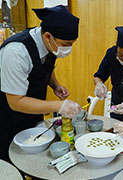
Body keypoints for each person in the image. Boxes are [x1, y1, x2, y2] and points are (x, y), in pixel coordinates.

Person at [0, 5, 82, 161]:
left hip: (31, 114)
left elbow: (45, 67)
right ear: (48, 37)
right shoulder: (16, 52)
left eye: (72, 43)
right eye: (66, 44)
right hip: (7, 118)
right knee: (11, 163)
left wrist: (55, 85)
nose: (69, 49)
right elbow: (15, 102)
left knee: (33, 159)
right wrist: (59, 106)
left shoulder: (50, 45)